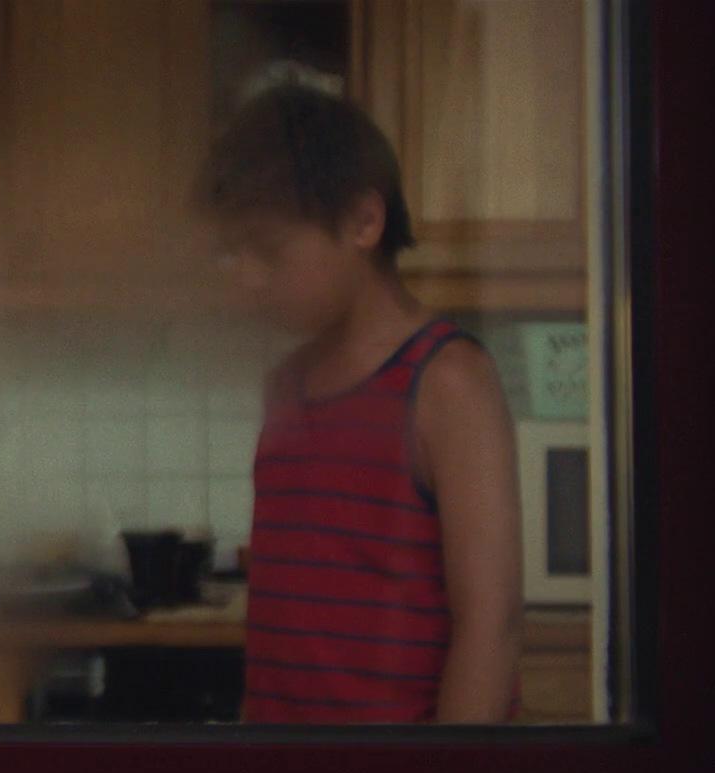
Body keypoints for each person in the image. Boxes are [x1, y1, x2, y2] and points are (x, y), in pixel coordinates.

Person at [196, 84, 523, 723]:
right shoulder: (285, 384)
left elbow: (492, 628)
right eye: (233, 252)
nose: (247, 279)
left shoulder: (448, 381)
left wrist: (449, 772)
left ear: (363, 223)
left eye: (268, 250)